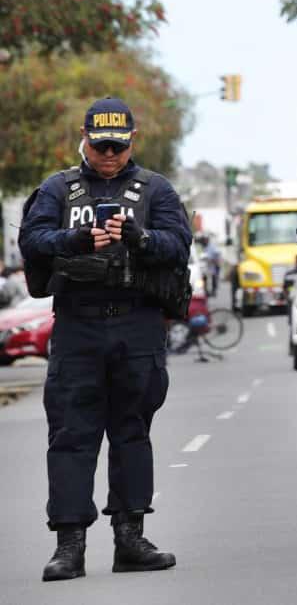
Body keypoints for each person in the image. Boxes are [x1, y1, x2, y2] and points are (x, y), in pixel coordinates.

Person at [19, 96, 191, 582]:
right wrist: (74, 240)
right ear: (85, 137)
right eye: (101, 146)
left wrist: (140, 238)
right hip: (79, 324)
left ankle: (130, 538)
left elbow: (179, 246)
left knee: (132, 429)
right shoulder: (59, 189)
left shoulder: (155, 190)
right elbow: (31, 241)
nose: (110, 155)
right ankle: (69, 545)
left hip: (137, 323)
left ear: (133, 140)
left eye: (118, 146)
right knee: (72, 434)